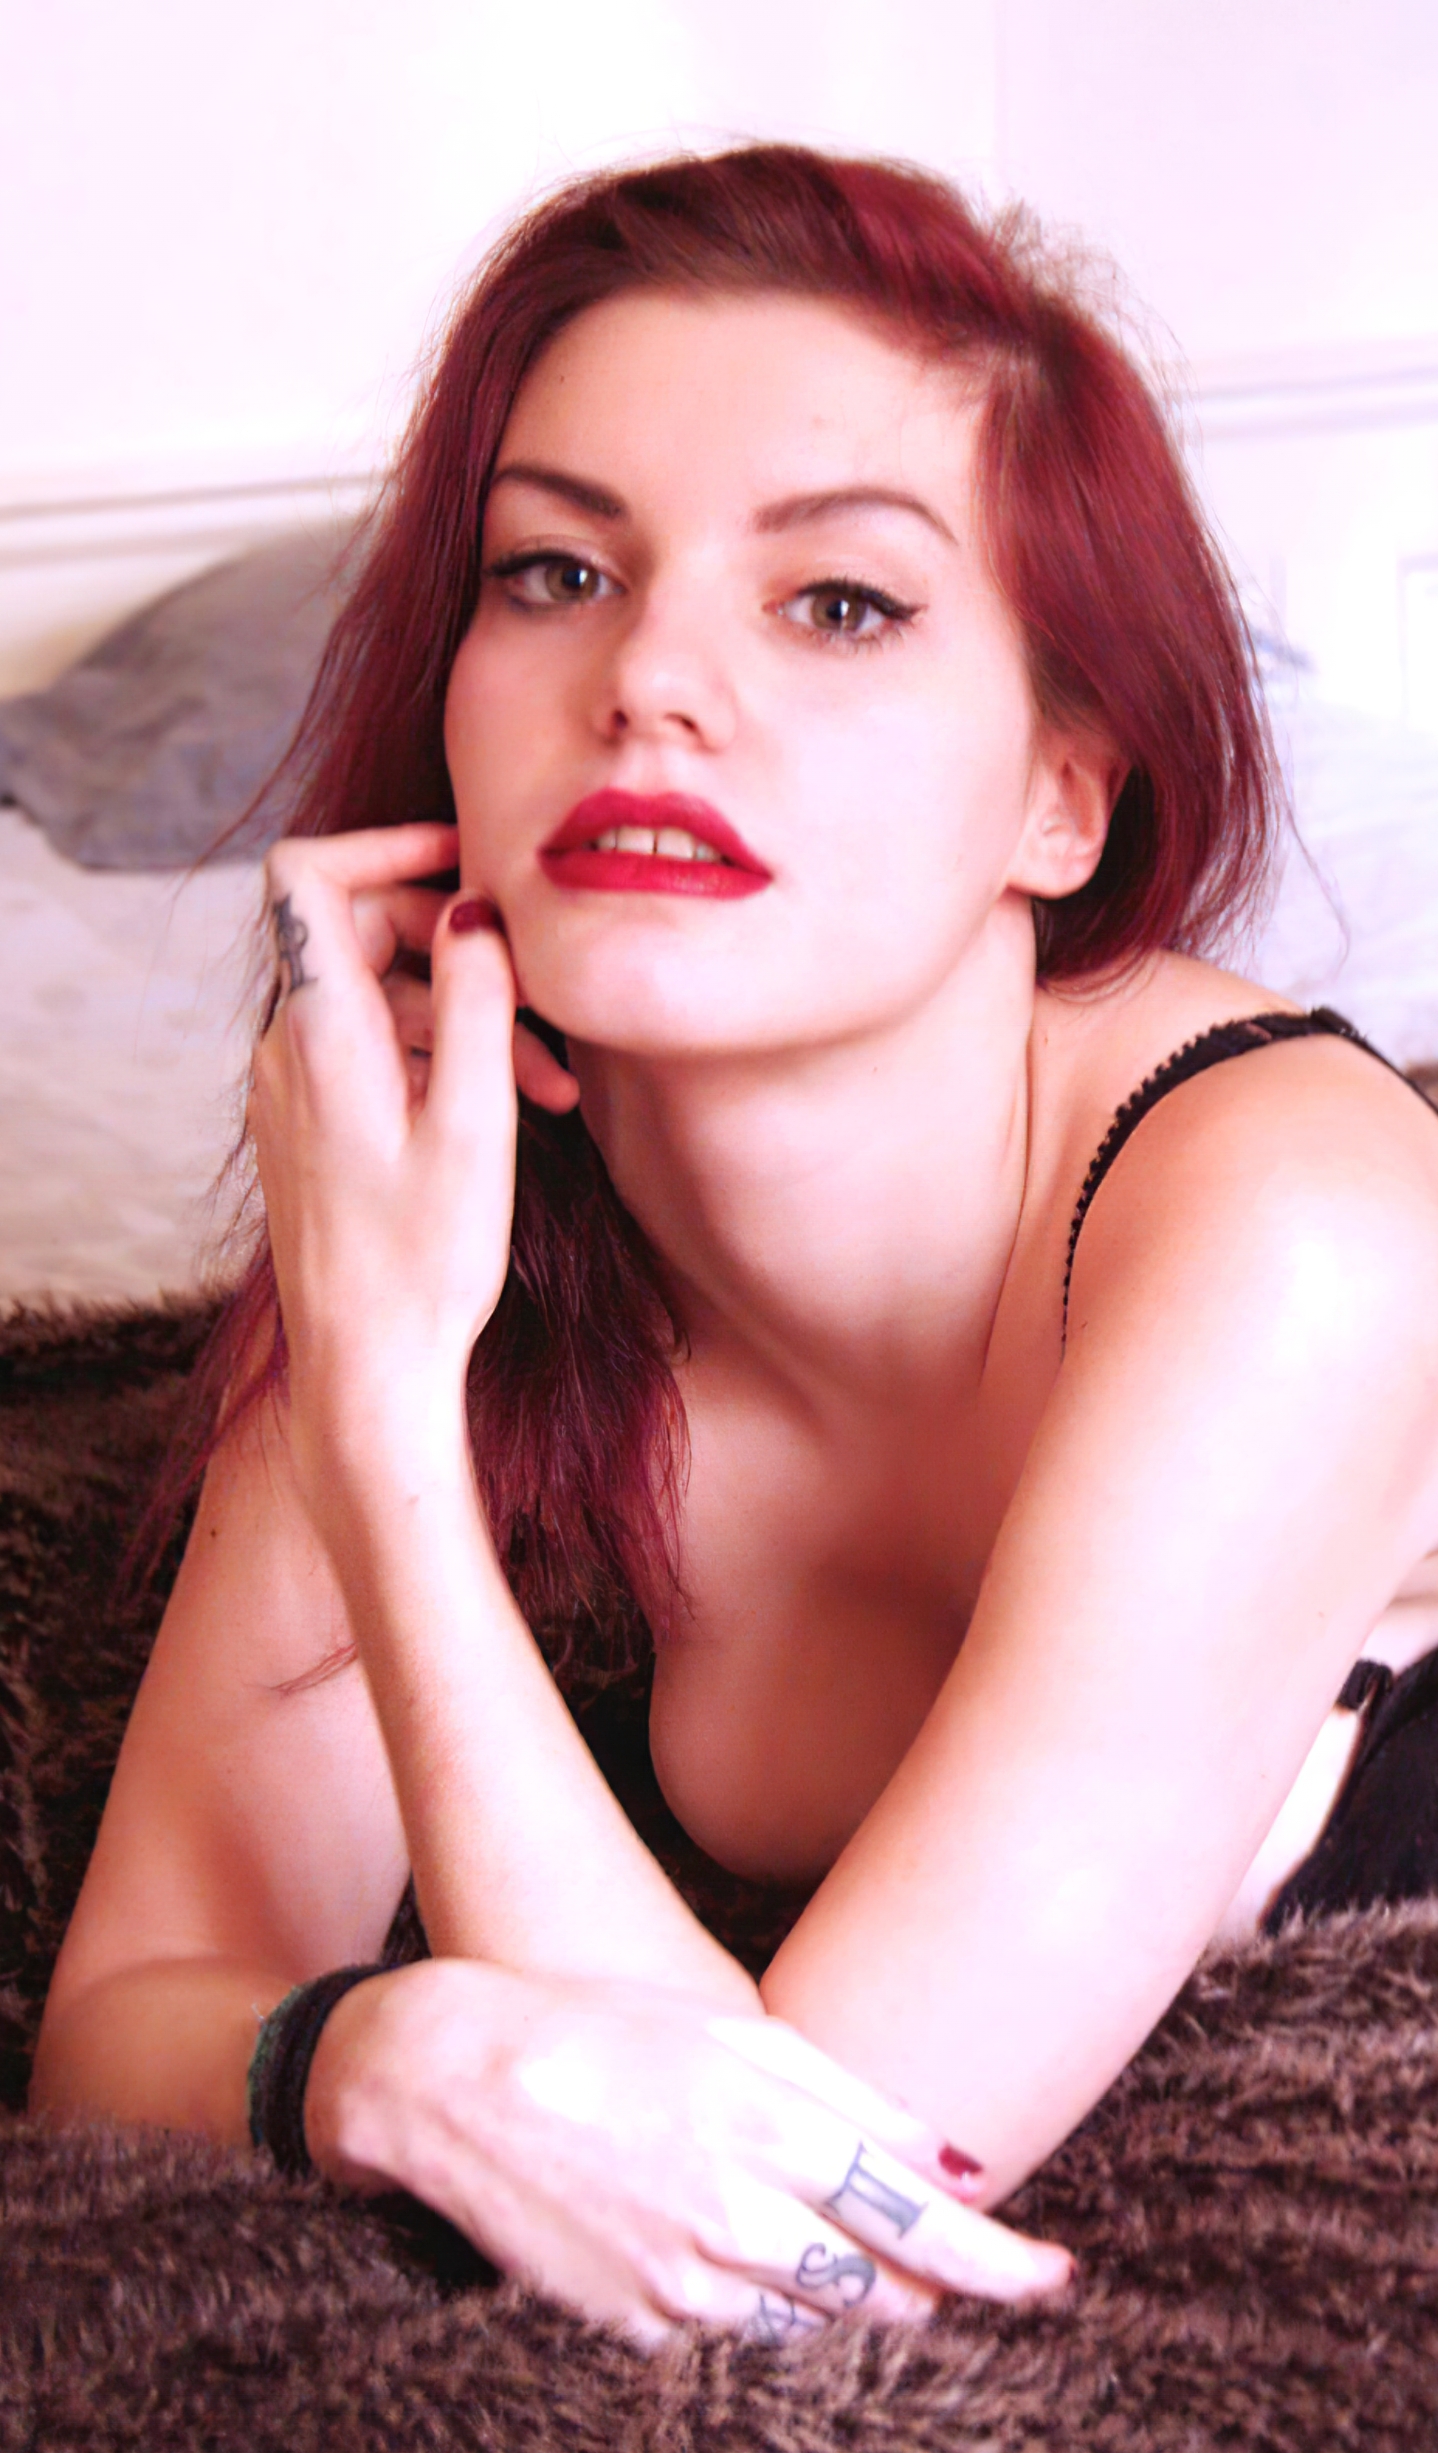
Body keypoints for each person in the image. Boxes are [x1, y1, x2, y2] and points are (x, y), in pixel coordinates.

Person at [29, 146, 1438, 2347]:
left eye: (838, 603)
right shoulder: (426, 1198)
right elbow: (133, 2010)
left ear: (1060, 795)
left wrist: (388, 1431)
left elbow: (803, 2231)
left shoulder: (1297, 1230)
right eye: (556, 572)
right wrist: (376, 2055)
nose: (650, 680)